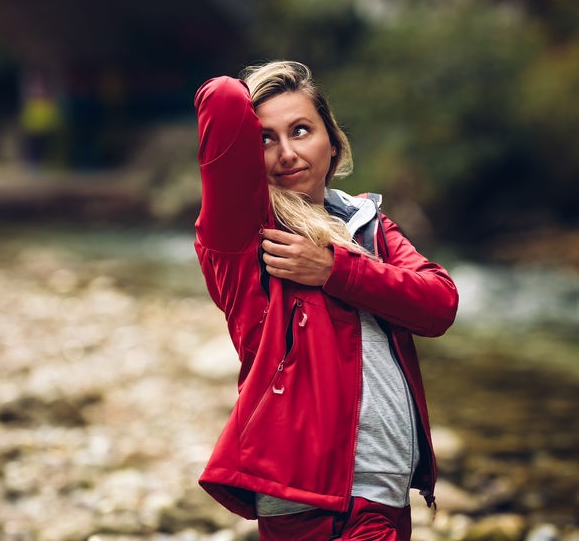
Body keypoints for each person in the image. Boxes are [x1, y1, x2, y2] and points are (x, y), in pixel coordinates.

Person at [193, 61, 459, 540]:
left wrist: (335, 270)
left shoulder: (368, 225)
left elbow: (439, 304)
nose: (287, 153)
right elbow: (222, 98)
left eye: (301, 130)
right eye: (265, 138)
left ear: (332, 143)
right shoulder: (242, 235)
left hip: (386, 489)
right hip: (310, 497)